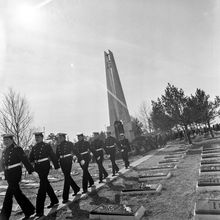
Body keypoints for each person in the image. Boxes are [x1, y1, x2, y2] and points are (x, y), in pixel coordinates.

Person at [0, 134, 35, 220]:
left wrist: (31, 170)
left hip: (15, 173)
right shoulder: (4, 151)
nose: (5, 141)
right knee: (17, 193)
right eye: (4, 140)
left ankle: (4, 217)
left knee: (8, 195)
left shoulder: (17, 149)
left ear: (12, 140)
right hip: (8, 174)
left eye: (7, 139)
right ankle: (29, 210)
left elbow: (25, 160)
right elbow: (1, 164)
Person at [29, 132, 60, 219]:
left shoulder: (46, 145)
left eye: (38, 137)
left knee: (42, 188)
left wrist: (57, 166)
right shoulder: (34, 147)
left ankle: (39, 211)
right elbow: (30, 159)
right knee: (45, 183)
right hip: (37, 167)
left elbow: (52, 155)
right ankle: (54, 200)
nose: (37, 138)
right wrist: (30, 169)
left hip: (45, 166)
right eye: (36, 137)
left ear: (42, 137)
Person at [56, 133, 80, 203]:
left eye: (60, 137)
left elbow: (75, 151)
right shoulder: (58, 146)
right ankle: (76, 188)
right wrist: (56, 164)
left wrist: (80, 158)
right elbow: (57, 155)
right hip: (62, 162)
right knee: (67, 176)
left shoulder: (69, 144)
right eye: (59, 137)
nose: (59, 139)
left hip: (68, 160)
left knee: (66, 177)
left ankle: (65, 197)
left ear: (64, 137)